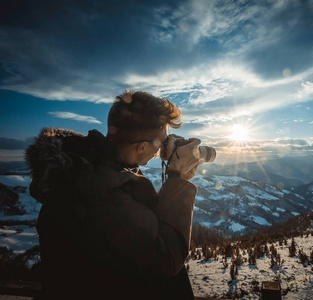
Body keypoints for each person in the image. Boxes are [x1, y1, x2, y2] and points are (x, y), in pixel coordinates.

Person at [25, 90, 202, 299]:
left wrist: (176, 177)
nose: (161, 150)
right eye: (162, 142)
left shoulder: (92, 169)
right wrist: (177, 180)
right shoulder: (102, 192)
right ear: (142, 146)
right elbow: (165, 260)